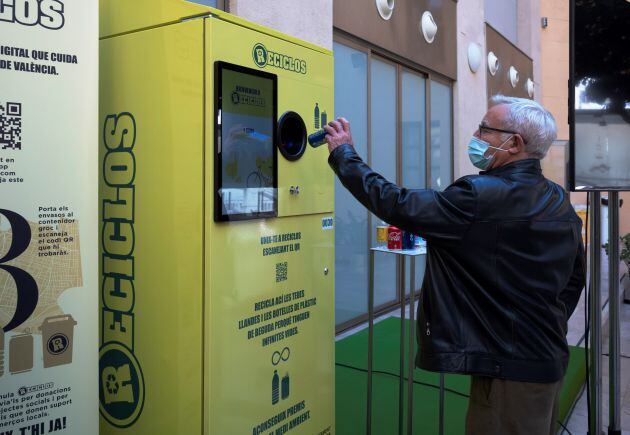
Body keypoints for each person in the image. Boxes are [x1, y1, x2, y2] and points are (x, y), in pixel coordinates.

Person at [323, 95, 585, 435]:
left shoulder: (480, 195)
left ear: (515, 143)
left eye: (484, 129)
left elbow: (397, 204)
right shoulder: (555, 197)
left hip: (511, 368)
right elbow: (574, 278)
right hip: (545, 354)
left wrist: (344, 154)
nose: (475, 135)